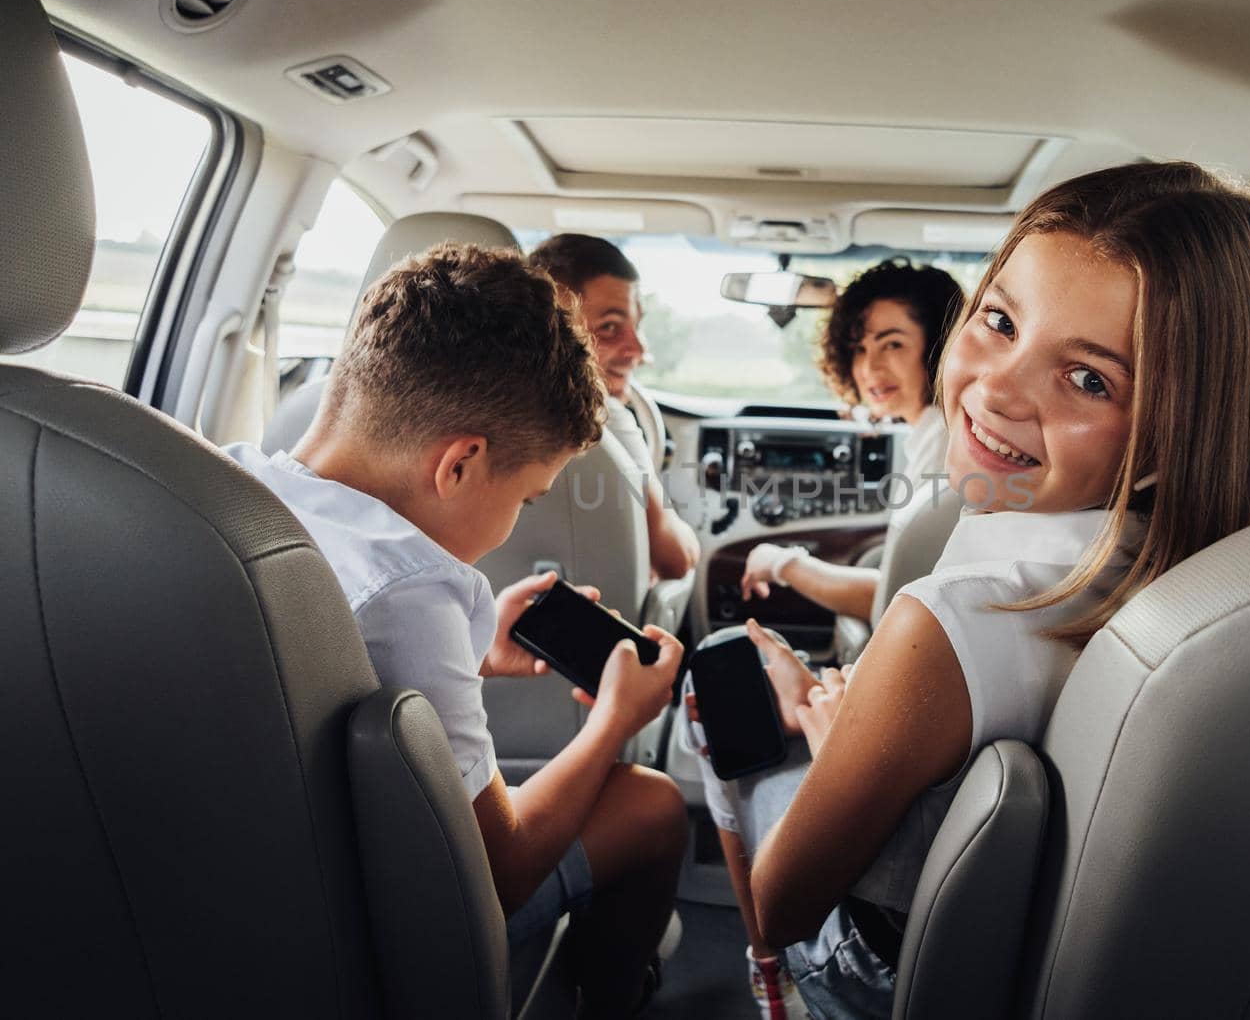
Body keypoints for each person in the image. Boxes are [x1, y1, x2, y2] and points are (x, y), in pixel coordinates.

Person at [698, 162, 1250, 1018]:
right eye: (998, 320)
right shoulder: (1239, 587)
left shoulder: (946, 623)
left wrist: (829, 726)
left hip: (887, 964)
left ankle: (776, 989)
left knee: (721, 682)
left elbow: (785, 900)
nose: (996, 387)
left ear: (1183, 430)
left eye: (1089, 378)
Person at [227, 243, 686, 1018]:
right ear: (461, 464)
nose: (517, 518)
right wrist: (613, 721)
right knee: (650, 803)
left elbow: (313, 682)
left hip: (247, 903)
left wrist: (472, 652)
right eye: (529, 497)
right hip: (374, 945)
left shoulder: (229, 488)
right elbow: (496, 870)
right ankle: (611, 996)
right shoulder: (415, 592)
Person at [739, 258, 965, 622]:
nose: (869, 368)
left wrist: (783, 563)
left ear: (940, 346)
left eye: (891, 345)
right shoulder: (935, 427)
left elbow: (897, 603)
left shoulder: (946, 443)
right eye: (859, 349)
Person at [528, 233, 701, 581]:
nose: (638, 349)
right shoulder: (606, 419)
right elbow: (676, 559)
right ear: (553, 329)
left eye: (636, 325)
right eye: (609, 327)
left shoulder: (470, 407)